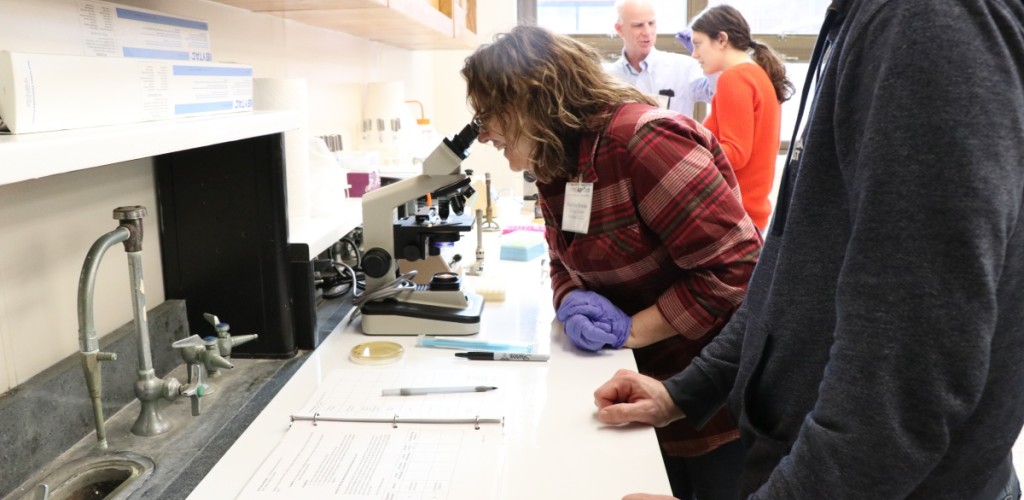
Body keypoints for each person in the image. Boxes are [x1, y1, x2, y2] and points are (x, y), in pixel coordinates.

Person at [594, 0, 1024, 499]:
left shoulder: (928, 18)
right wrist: (685, 391)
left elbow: (905, 375)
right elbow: (785, 272)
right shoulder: (863, 18)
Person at [461, 25, 763, 500]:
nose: (483, 133)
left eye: (489, 114)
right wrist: (571, 296)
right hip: (637, 387)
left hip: (706, 395)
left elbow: (740, 269)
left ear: (531, 98)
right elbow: (561, 253)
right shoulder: (557, 158)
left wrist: (633, 330)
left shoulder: (644, 142)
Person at [683, 5, 793, 231]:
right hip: (748, 215)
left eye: (697, 43)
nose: (694, 54)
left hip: (733, 217)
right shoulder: (757, 75)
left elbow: (735, 154)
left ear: (721, 40)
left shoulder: (734, 78)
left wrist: (683, 153)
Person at [605, 0, 714, 118]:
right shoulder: (608, 77)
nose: (647, 32)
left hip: (674, 136)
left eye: (651, 23)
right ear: (619, 29)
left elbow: (720, 94)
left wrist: (711, 56)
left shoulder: (684, 67)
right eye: (638, 25)